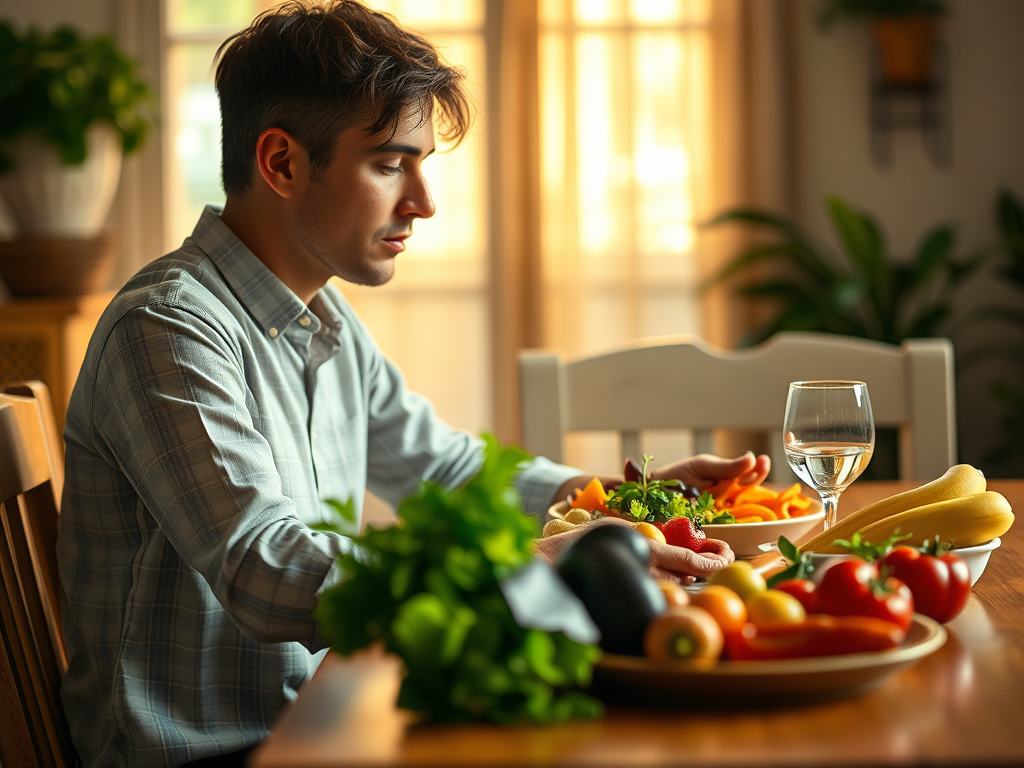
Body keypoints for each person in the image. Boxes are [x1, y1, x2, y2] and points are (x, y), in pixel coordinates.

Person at [57, 2, 769, 766]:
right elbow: (263, 569)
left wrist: (620, 502)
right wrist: (531, 563)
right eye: (391, 164)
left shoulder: (321, 316)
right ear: (283, 163)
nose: (424, 202)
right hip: (218, 754)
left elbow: (444, 470)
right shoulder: (167, 331)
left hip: (320, 721)